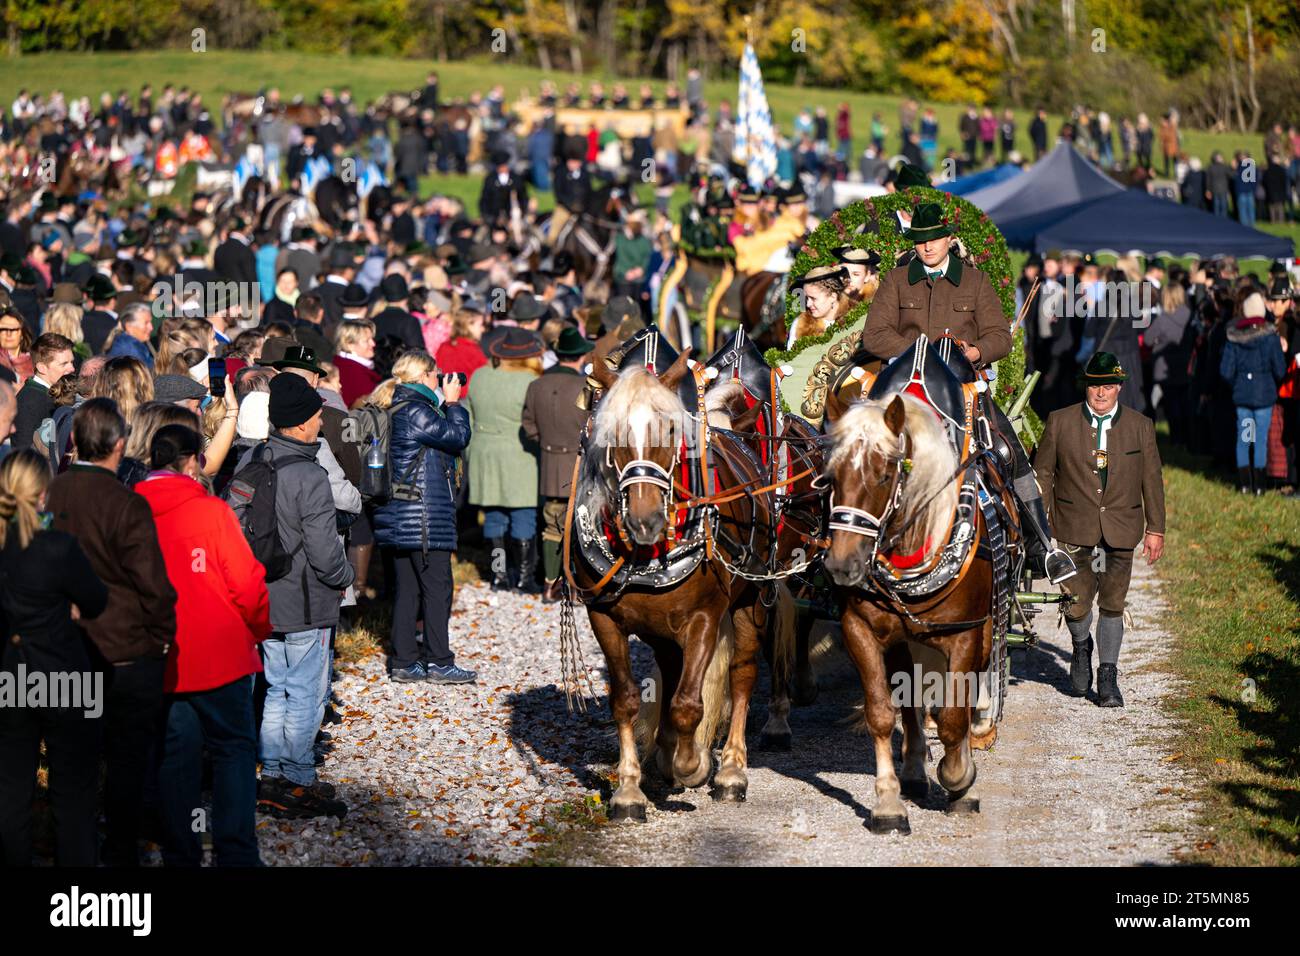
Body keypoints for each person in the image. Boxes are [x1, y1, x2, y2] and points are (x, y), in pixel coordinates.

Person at [863, 201, 1073, 584]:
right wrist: (919, 353)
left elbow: (999, 337)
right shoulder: (895, 280)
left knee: (1009, 450)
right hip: (907, 389)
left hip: (964, 389)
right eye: (920, 241)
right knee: (863, 448)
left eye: (933, 240)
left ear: (947, 238)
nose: (927, 248)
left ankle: (1043, 546)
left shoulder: (975, 282)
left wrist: (974, 352)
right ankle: (852, 537)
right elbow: (874, 335)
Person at [47, 399, 178, 866]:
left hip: (66, 648)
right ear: (120, 445)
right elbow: (153, 583)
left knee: (74, 765)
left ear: (74, 442)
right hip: (126, 650)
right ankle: (120, 855)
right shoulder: (126, 503)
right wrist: (163, 636)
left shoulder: (51, 495)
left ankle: (74, 858)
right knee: (126, 763)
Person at [135, 424, 270, 865]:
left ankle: (182, 850)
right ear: (192, 461)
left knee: (177, 757)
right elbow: (247, 582)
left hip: (161, 654)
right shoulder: (210, 511)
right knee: (233, 750)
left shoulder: (131, 511)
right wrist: (258, 630)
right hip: (219, 652)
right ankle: (235, 852)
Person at [238, 373, 354, 819]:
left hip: (262, 598)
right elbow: (326, 553)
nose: (322, 418)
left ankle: (271, 778)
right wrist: (344, 577)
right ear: (302, 422)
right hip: (307, 600)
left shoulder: (253, 458)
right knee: (305, 692)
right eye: (317, 413)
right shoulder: (310, 474)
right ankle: (298, 780)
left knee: (275, 689)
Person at [1034, 352, 1166, 708]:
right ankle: (1080, 647)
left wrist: (1156, 528)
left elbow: (1152, 480)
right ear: (1086, 387)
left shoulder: (1141, 426)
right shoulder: (1060, 422)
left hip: (1122, 529)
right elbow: (1043, 474)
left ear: (1119, 387)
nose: (1101, 392)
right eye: (1095, 385)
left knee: (1112, 604)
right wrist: (1039, 520)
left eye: (1108, 385)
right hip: (1074, 528)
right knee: (1075, 604)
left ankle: (1108, 676)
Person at [0, 449, 109, 866]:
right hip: (66, 672)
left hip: (14, 673)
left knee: (12, 791)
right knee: (75, 794)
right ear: (42, 493)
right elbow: (96, 601)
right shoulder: (57, 547)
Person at [370, 352, 475, 683]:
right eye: (437, 374)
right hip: (424, 519)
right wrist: (455, 403)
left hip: (401, 515)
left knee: (408, 588)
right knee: (437, 588)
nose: (441, 379)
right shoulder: (417, 410)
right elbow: (458, 437)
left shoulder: (400, 405)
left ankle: (404, 661)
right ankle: (440, 661)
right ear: (423, 377)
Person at [465, 328, 543, 592]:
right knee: (523, 514)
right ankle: (524, 578)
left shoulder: (479, 376)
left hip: (484, 452)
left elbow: (469, 415)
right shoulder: (531, 381)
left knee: (494, 515)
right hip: (521, 453)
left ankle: (499, 577)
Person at [521, 326, 593, 603]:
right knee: (579, 526)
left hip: (550, 462)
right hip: (580, 463)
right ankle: (575, 585)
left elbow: (528, 425)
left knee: (551, 526)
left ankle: (550, 585)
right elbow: (593, 425)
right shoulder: (584, 387)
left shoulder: (535, 385)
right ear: (579, 357)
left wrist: (547, 444)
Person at [1220, 291, 1285, 495]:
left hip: (1243, 395)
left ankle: (1245, 484)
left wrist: (1238, 383)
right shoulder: (1270, 337)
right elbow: (1280, 369)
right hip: (1264, 395)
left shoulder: (1234, 338)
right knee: (1260, 440)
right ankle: (1259, 486)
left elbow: (1226, 371)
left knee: (1244, 438)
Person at [13, 332, 75, 452]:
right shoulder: (31, 401)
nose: (72, 368)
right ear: (42, 367)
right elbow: (23, 451)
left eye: (72, 362)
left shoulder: (47, 394)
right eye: (64, 364)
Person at [333, 318, 382, 407]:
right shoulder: (353, 372)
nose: (373, 343)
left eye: (372, 339)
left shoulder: (344, 365)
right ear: (349, 345)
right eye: (366, 341)